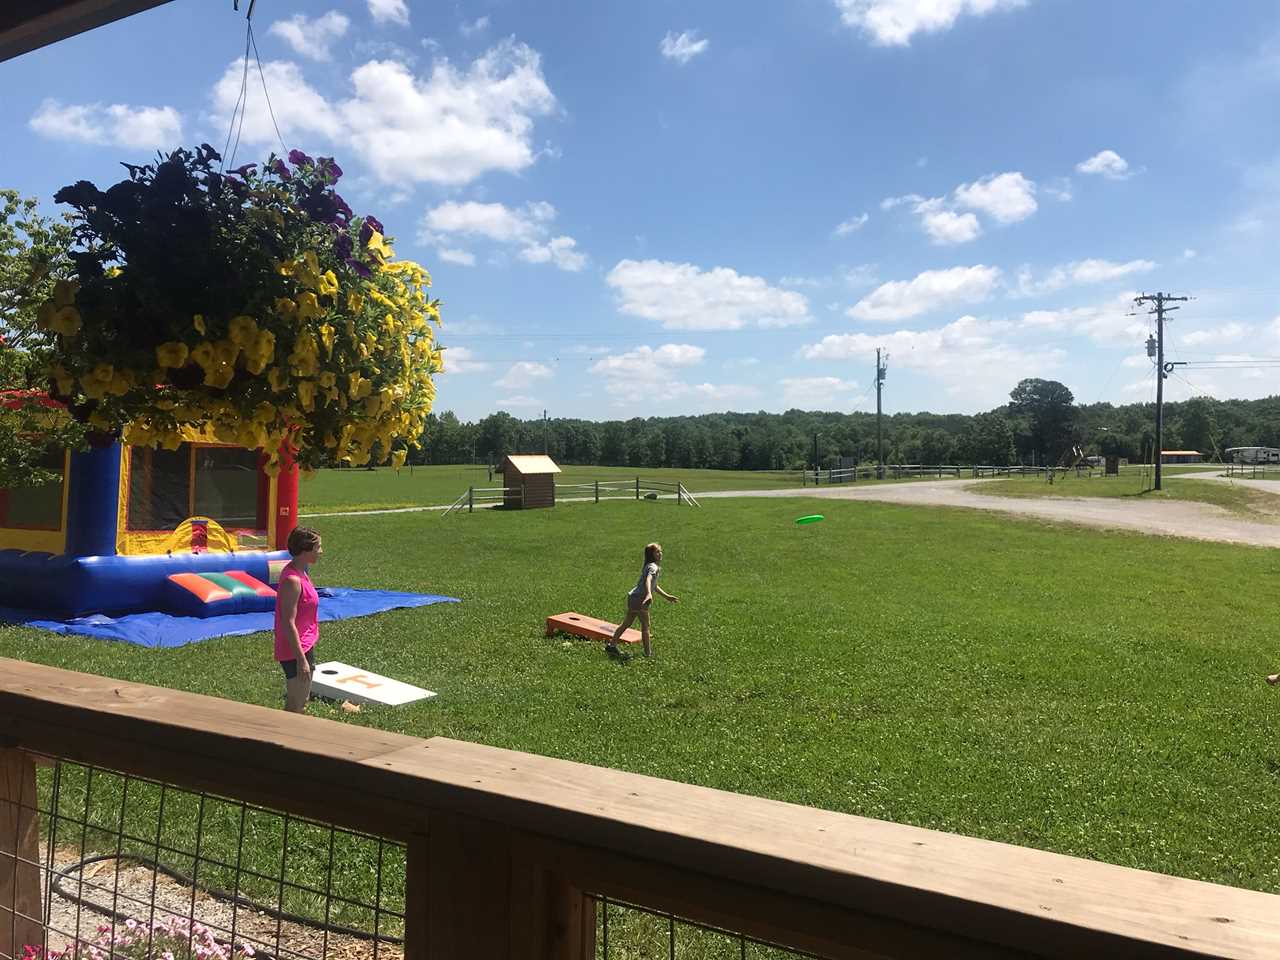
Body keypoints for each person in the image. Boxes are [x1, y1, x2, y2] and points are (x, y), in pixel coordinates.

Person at [274, 526, 323, 712]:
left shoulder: (302, 572)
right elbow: (288, 622)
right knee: (296, 703)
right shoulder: (292, 580)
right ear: (305, 550)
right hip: (295, 649)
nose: (321, 552)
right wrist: (301, 659)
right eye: (318, 547)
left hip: (304, 644)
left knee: (302, 699)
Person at [606, 542, 678, 658]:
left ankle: (612, 645)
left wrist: (667, 596)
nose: (660, 554)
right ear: (651, 555)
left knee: (627, 623)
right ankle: (648, 654)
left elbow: (654, 585)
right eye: (657, 552)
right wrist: (648, 594)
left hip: (633, 597)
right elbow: (648, 580)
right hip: (640, 599)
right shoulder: (653, 567)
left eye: (660, 551)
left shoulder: (649, 565)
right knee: (645, 626)